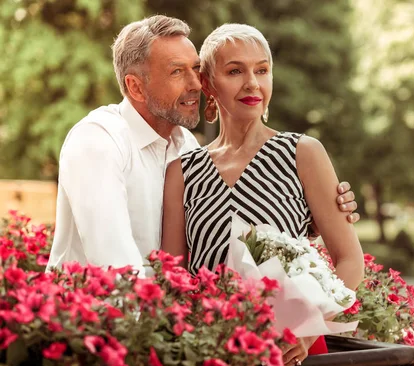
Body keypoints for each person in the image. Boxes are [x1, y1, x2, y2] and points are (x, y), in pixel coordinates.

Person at [47, 16, 358, 276]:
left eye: (195, 68)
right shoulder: (99, 141)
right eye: (177, 71)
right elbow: (116, 267)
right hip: (93, 334)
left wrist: (308, 214)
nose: (196, 84)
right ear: (135, 87)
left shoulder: (184, 149)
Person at [160, 23, 365, 366]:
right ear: (207, 84)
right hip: (216, 364)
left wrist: (308, 325)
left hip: (293, 357)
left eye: (262, 70)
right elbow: (173, 280)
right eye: (235, 71)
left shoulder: (303, 153)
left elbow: (351, 260)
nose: (252, 83)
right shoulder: (182, 170)